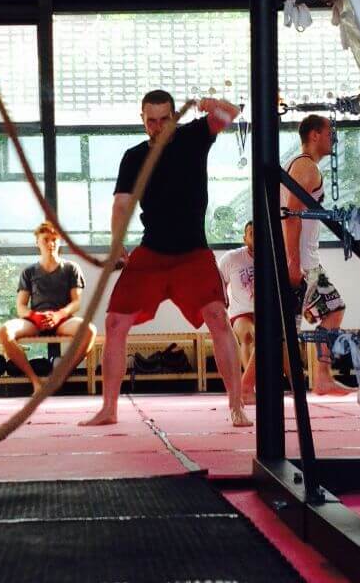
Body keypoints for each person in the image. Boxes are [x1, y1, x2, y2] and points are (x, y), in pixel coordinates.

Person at [80, 89, 252, 427]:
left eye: (164, 120)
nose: (157, 127)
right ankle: (109, 409)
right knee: (114, 323)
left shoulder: (194, 136)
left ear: (174, 117)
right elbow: (121, 205)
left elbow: (231, 113)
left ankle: (236, 405)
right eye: (151, 121)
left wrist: (211, 105)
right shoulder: (134, 157)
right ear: (142, 120)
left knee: (218, 318)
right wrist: (117, 242)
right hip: (152, 251)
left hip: (193, 251)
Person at [280, 114, 353, 395]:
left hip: (302, 259)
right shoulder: (306, 167)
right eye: (329, 133)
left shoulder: (300, 166)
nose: (332, 138)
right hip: (301, 262)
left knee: (288, 327)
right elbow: (291, 215)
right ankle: (321, 378)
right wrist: (293, 263)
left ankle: (322, 377)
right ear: (314, 135)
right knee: (332, 310)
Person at [0, 221, 97, 392]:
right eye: (46, 239)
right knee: (4, 331)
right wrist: (35, 316)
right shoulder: (29, 272)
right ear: (37, 242)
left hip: (63, 321)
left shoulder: (71, 268)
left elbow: (76, 303)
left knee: (89, 330)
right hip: (35, 322)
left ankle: (59, 378)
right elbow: (21, 306)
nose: (51, 243)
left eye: (54, 239)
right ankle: (36, 382)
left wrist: (58, 315)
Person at [218, 220, 256, 405]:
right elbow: (219, 284)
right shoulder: (232, 258)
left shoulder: (273, 257)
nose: (256, 237)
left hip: (269, 313)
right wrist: (221, 311)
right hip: (242, 313)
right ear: (244, 238)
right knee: (248, 336)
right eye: (252, 234)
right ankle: (249, 388)